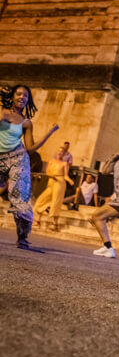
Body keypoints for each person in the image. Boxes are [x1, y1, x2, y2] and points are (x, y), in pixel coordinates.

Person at [0, 85, 59, 249]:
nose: (22, 97)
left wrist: (50, 132)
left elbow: (30, 148)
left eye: (25, 96)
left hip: (18, 159)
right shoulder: (2, 113)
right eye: (18, 94)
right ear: (12, 96)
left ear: (28, 100)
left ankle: (23, 237)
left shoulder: (26, 123)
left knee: (19, 198)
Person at [33, 147, 74, 231]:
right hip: (51, 182)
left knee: (55, 202)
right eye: (59, 151)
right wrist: (53, 176)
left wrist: (70, 181)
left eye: (62, 152)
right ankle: (37, 220)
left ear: (64, 154)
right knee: (41, 200)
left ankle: (54, 224)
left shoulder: (64, 164)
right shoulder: (51, 161)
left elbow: (65, 176)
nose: (60, 153)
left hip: (59, 182)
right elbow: (48, 172)